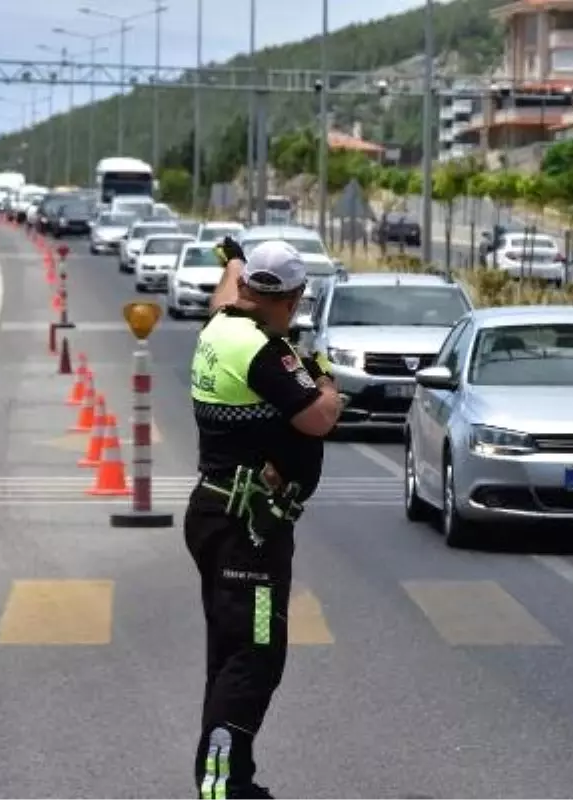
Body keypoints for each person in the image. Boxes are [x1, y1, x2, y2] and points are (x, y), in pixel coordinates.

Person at [186, 236, 343, 799]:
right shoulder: (264, 351)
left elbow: (223, 296)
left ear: (248, 285)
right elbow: (320, 419)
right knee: (253, 658)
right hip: (247, 529)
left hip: (217, 512)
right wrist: (324, 378)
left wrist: (231, 260)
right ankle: (221, 785)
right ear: (296, 297)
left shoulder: (220, 329)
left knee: (231, 653)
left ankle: (230, 778)